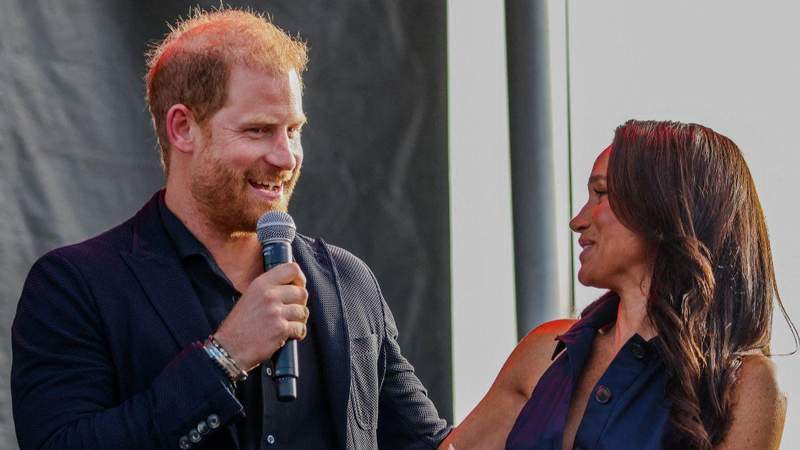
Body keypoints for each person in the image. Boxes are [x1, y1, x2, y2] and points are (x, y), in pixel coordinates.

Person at [11, 8, 449, 450]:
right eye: (258, 131)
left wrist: (516, 391)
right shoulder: (77, 286)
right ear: (183, 128)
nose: (286, 157)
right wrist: (225, 357)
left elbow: (427, 445)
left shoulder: (348, 283)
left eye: (293, 130)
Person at [440, 120, 794, 449]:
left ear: (664, 206)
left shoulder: (744, 384)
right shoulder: (546, 353)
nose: (577, 221)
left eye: (601, 193)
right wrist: (384, 342)